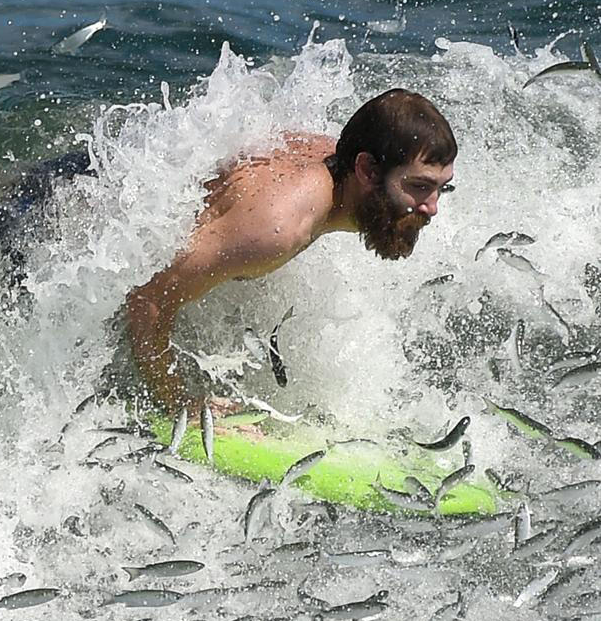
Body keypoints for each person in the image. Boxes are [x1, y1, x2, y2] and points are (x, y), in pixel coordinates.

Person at [126, 88, 458, 421]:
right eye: (419, 186)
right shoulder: (277, 228)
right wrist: (179, 405)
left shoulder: (342, 164)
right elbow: (146, 299)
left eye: (443, 187)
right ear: (367, 170)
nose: (432, 208)